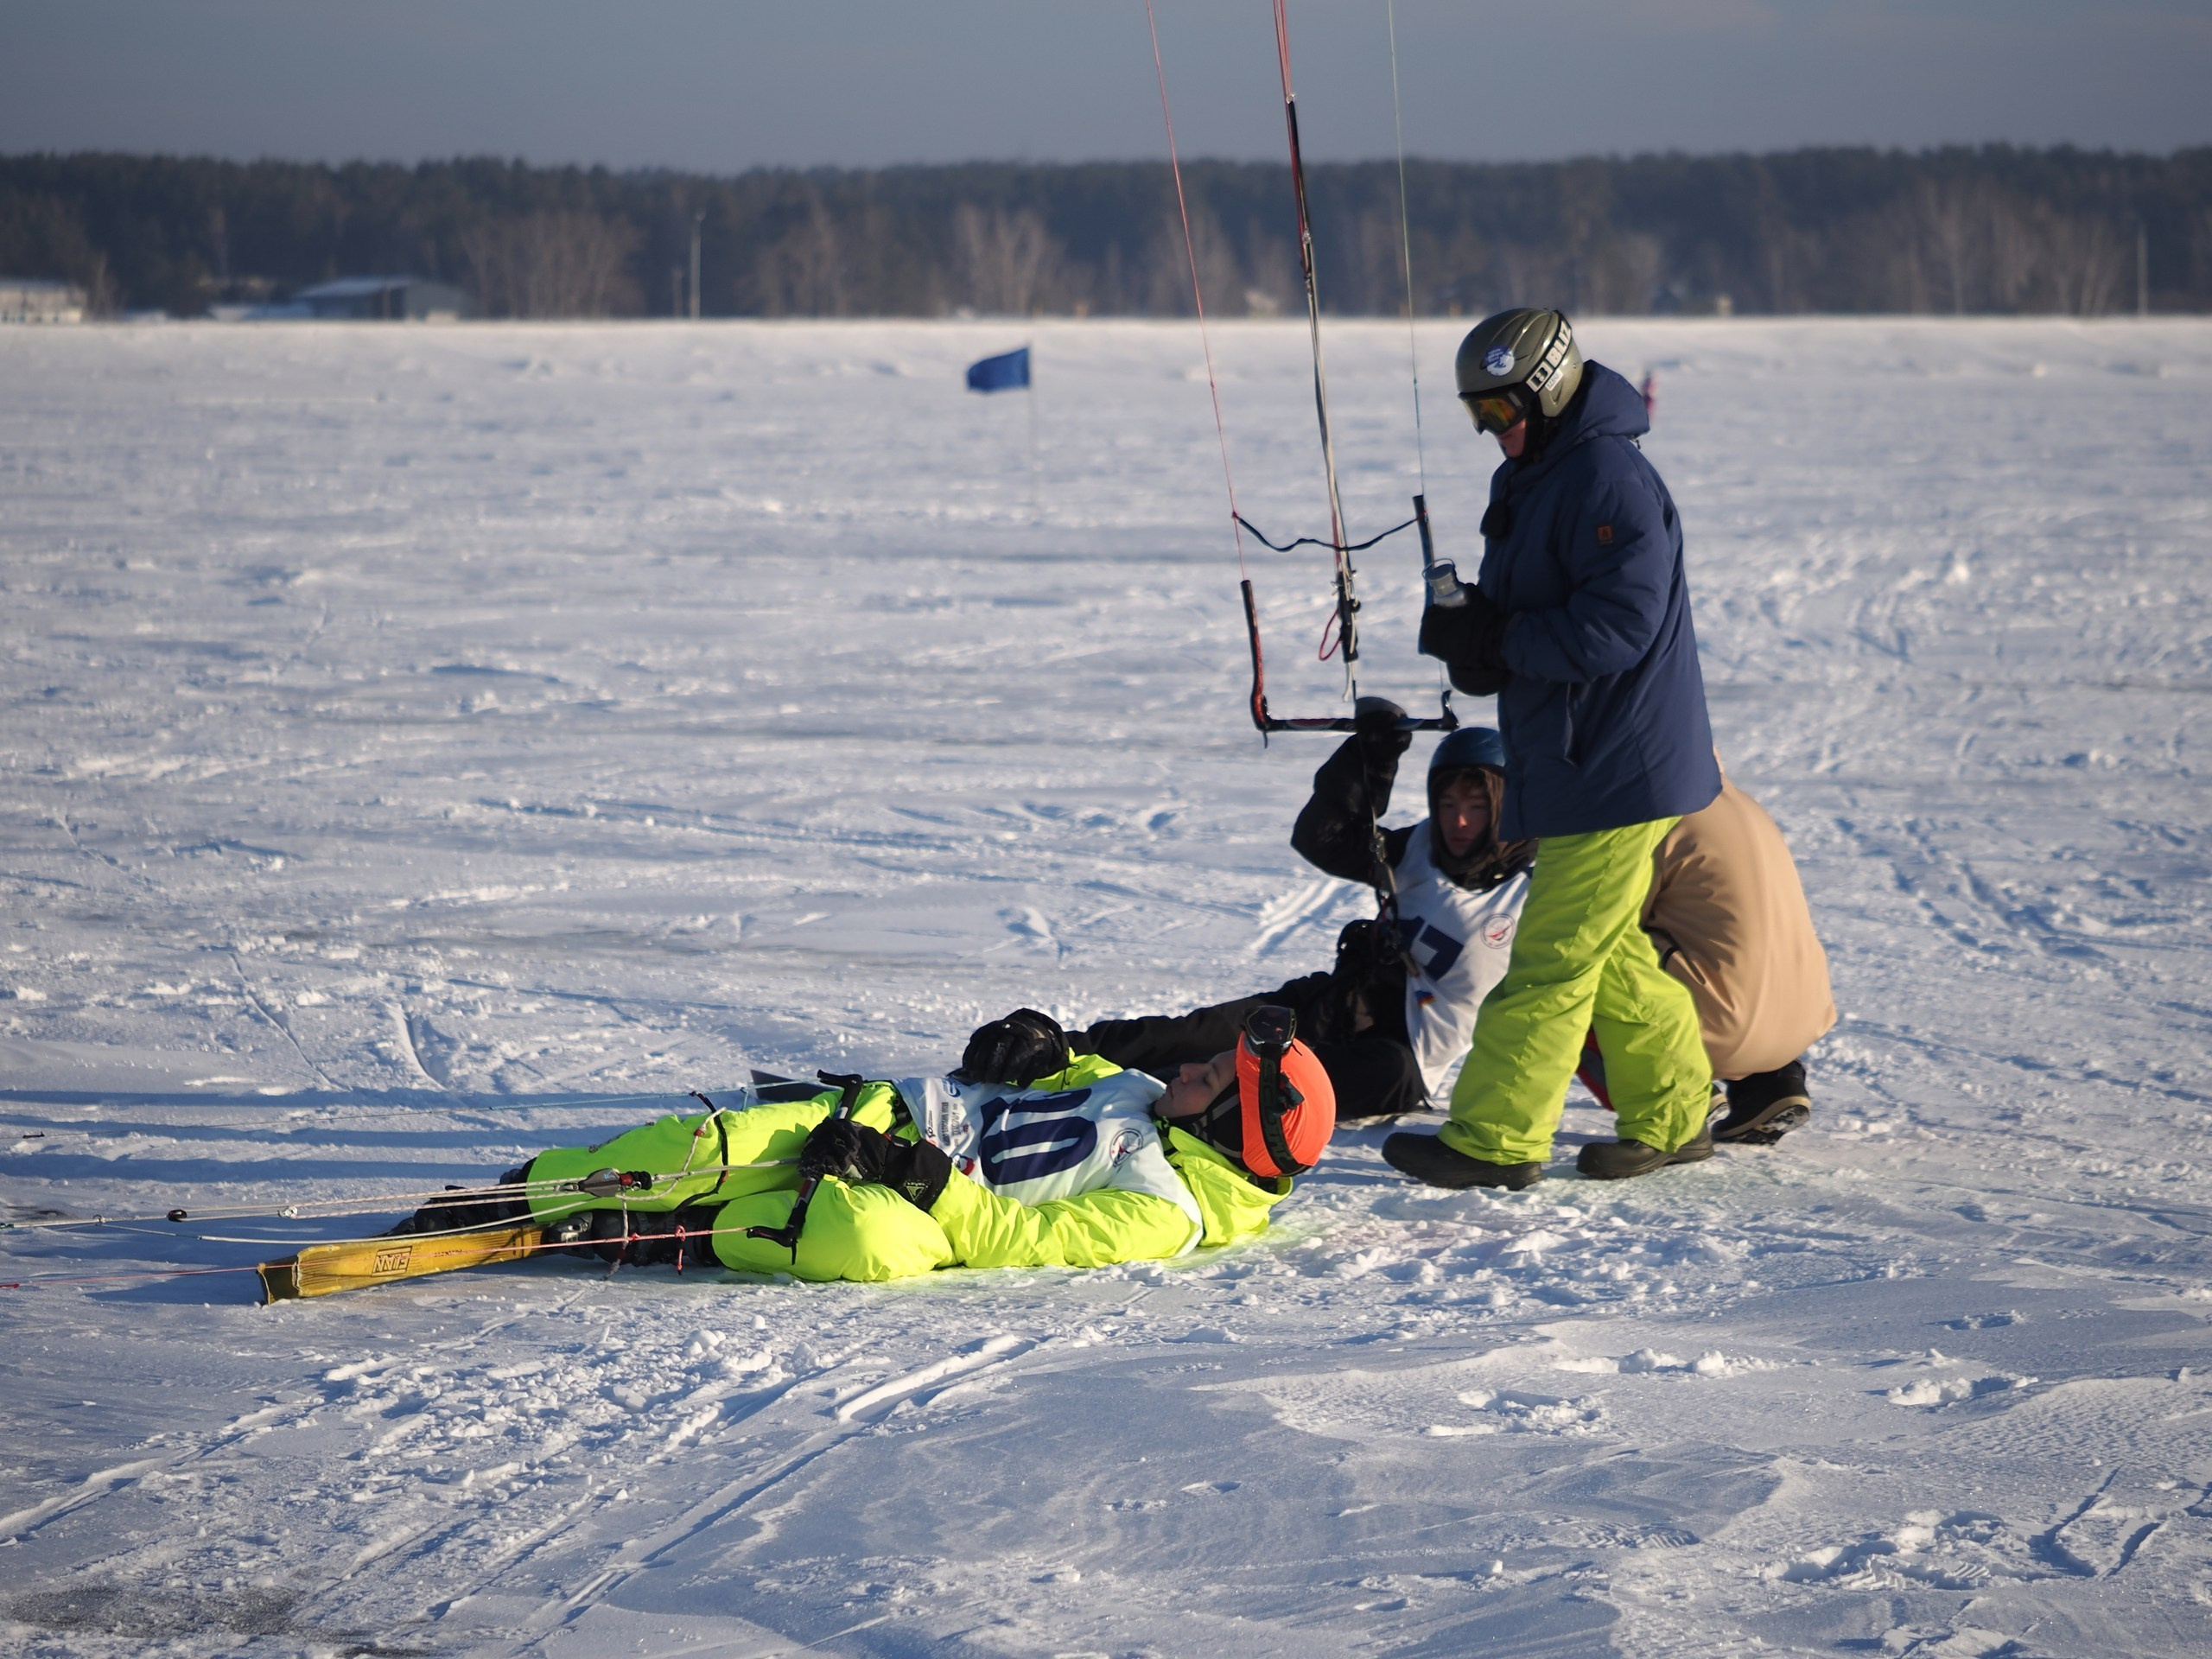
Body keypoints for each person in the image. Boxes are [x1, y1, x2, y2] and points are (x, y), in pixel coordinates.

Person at [1389, 308, 1723, 1190]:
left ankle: (1495, 1139)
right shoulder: (1543, 473)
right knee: (1606, 954)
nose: (1490, 433)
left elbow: (1617, 628)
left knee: (1550, 961)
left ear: (1547, 390)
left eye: (1500, 414)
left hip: (1618, 765)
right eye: (1478, 418)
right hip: (1580, 761)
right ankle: (1676, 1113)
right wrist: (1474, 627)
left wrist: (1503, 641)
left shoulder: (1605, 479)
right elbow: (1534, 609)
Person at [396, 1009, 1336, 1284]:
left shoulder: (1163, 1215)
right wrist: (1035, 1043)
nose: (1189, 1072)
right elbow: (1062, 1069)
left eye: (1211, 1082)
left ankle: (634, 1231)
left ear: (1228, 1130)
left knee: (861, 1241)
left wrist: (919, 1179)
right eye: (1209, 1064)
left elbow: (1024, 1241)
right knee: (719, 1145)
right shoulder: (1136, 1092)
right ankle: (527, 1193)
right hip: (891, 1119)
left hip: (918, 1195)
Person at [1061, 715, 1533, 1121]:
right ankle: (1044, 1053)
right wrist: (1373, 755)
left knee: (1240, 1079)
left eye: (1477, 807)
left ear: (1506, 805)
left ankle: (1097, 1098)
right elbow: (1324, 839)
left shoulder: (1537, 889)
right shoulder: (1423, 847)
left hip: (1401, 1060)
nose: (1460, 822)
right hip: (1340, 1005)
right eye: (1448, 805)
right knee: (1188, 1034)